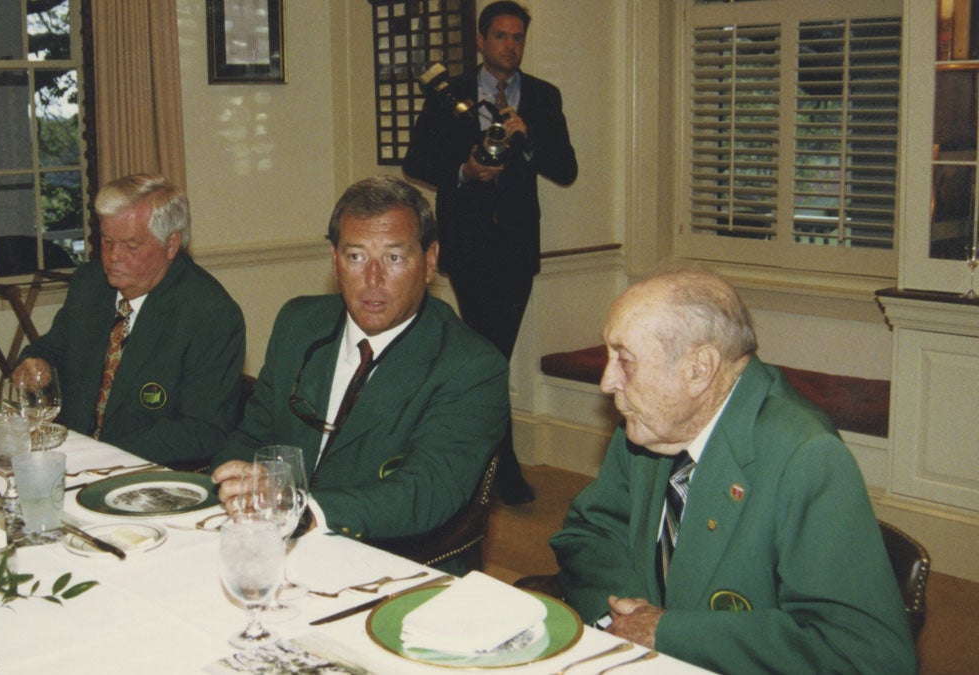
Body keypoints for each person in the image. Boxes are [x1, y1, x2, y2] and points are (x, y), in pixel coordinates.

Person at [549, 268, 916, 673]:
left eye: (625, 359)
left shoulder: (807, 455)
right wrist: (622, 618)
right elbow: (592, 532)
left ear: (699, 369)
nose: (607, 381)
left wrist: (669, 633)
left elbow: (867, 654)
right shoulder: (650, 425)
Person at [211, 176, 508, 560]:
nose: (373, 279)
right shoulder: (299, 324)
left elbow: (427, 492)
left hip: (396, 560)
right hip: (273, 538)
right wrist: (234, 483)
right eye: (356, 256)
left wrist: (305, 511)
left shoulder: (471, 365)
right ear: (334, 261)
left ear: (430, 262)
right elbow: (252, 438)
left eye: (394, 258)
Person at [402, 0, 577, 504]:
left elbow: (566, 169)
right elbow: (416, 161)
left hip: (517, 245)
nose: (510, 46)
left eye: (518, 37)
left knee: (491, 354)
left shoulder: (542, 96)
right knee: (487, 353)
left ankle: (483, 461)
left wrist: (528, 138)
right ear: (481, 40)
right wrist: (464, 172)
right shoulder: (449, 94)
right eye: (500, 36)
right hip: (468, 242)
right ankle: (501, 466)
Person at [15, 174, 245, 467]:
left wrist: (99, 454)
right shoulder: (90, 284)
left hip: (150, 471)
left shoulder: (209, 313)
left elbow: (203, 431)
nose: (113, 257)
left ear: (171, 244)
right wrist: (35, 363)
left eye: (131, 245)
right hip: (75, 459)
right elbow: (53, 349)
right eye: (107, 241)